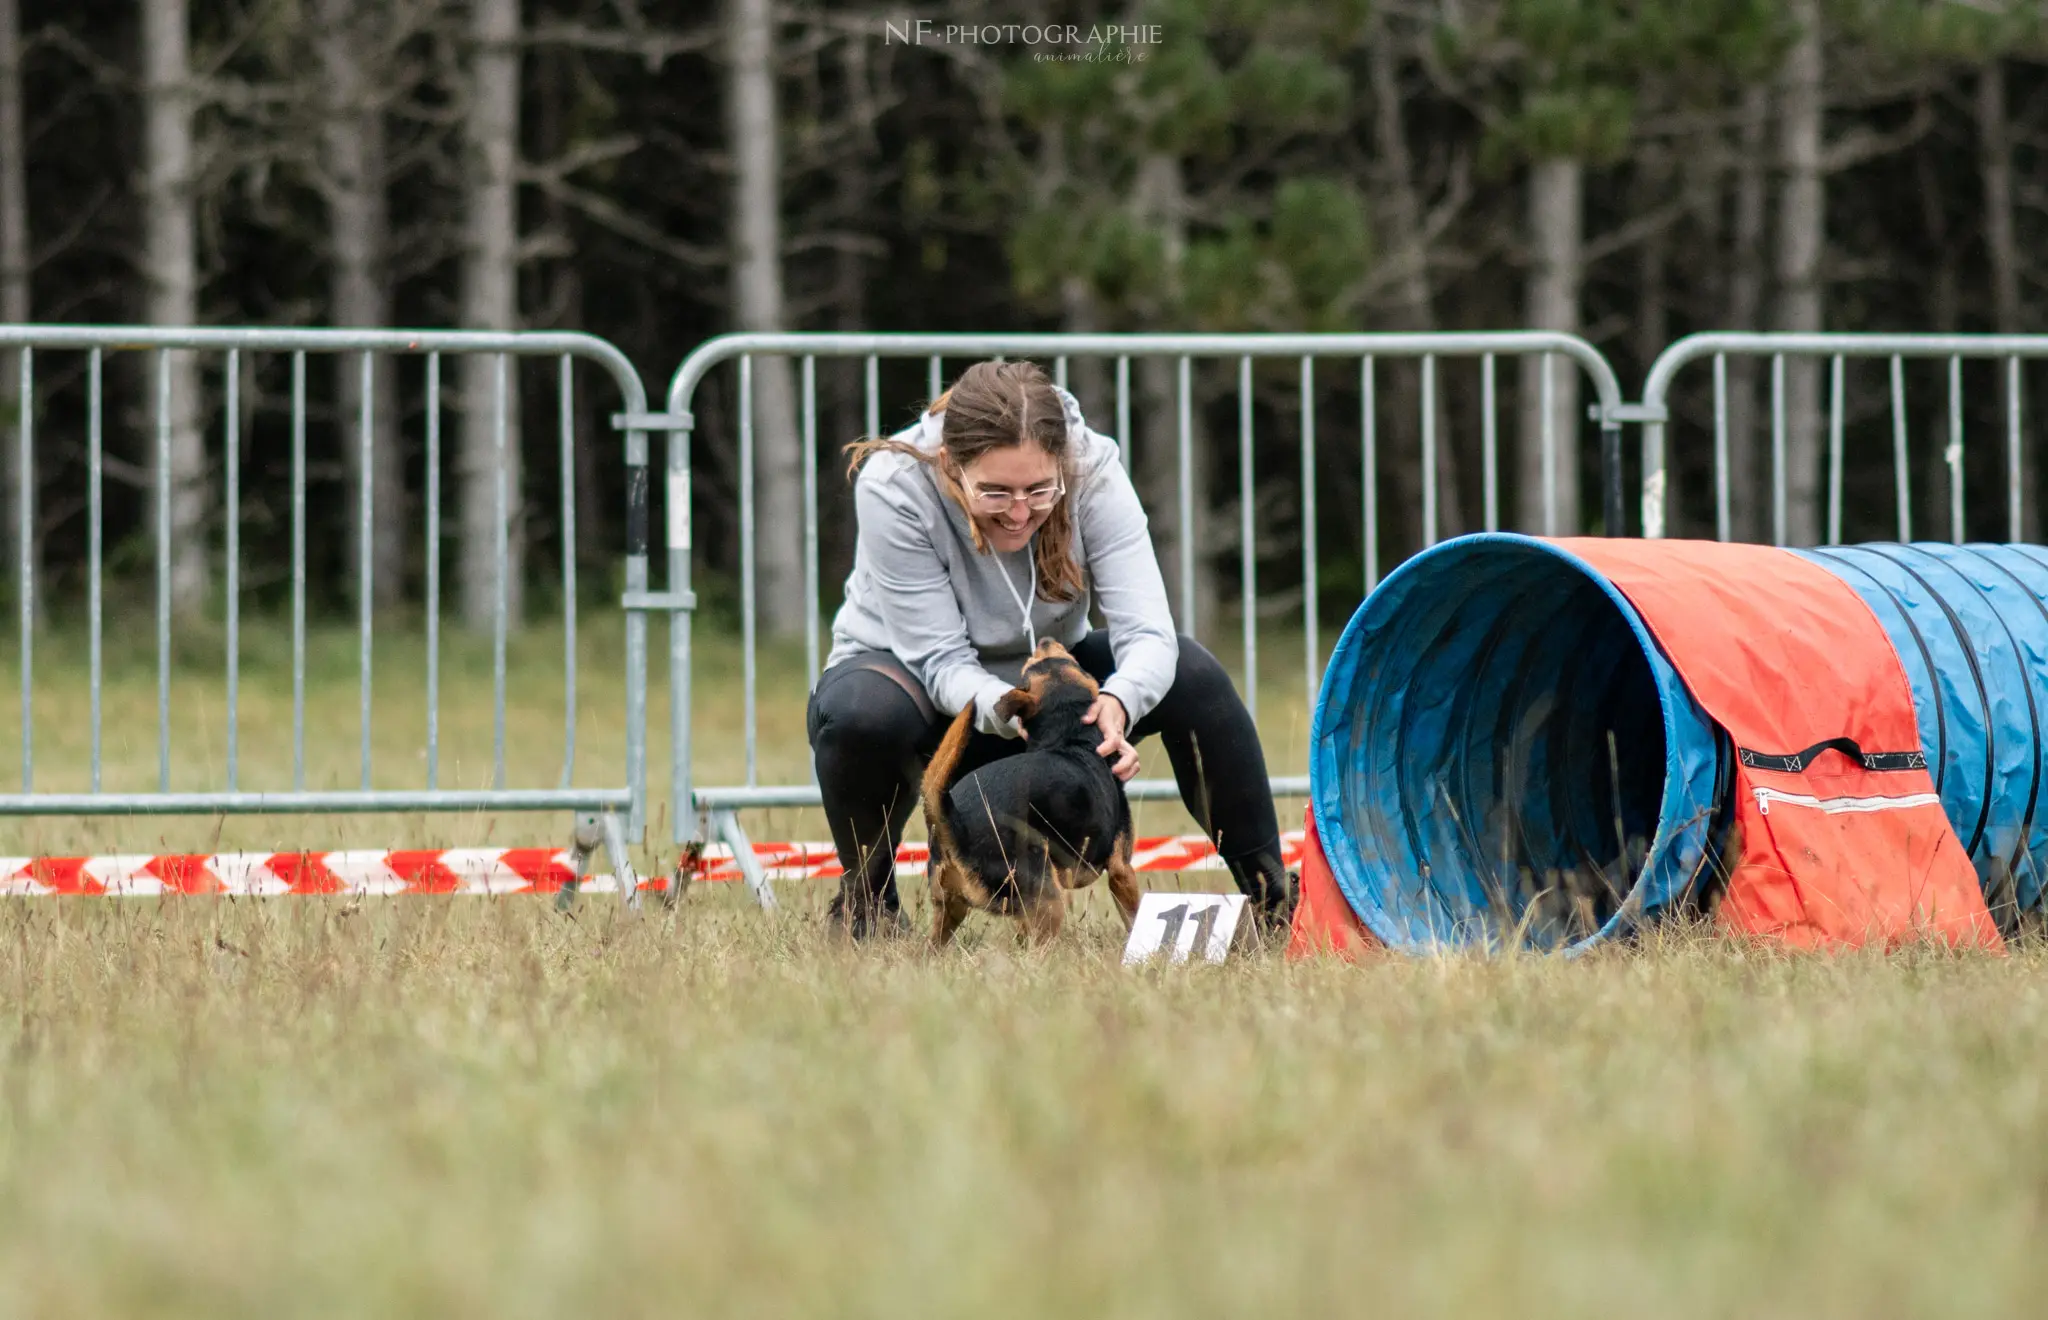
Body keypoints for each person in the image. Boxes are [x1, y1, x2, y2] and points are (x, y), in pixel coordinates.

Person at [807, 358, 1296, 939]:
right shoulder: (893, 486)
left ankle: (1275, 905)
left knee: (1192, 672)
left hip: (1042, 695)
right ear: (949, 466)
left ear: (1063, 465)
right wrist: (1014, 709)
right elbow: (940, 661)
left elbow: (1149, 634)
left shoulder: (1093, 466)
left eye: (1039, 490)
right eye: (995, 492)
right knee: (862, 714)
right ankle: (869, 910)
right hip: (921, 685)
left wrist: (1117, 703)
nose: (1019, 513)